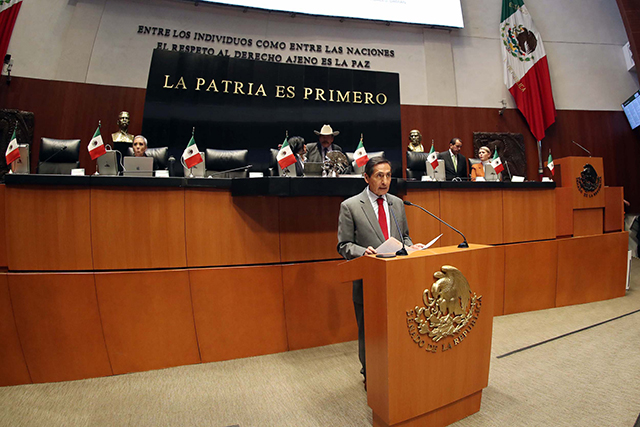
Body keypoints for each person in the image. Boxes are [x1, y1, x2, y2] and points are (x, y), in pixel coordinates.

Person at [337, 157, 423, 389]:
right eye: (379, 176)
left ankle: (399, 369)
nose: (385, 181)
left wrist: (409, 246)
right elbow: (344, 245)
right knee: (370, 332)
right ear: (366, 178)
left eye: (388, 175)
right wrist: (362, 251)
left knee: (400, 327)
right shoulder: (351, 206)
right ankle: (370, 373)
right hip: (369, 279)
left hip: (397, 278)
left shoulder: (397, 203)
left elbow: (405, 236)